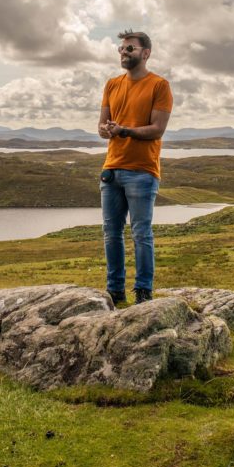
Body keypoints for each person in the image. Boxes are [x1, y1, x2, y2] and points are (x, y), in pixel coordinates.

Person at [98, 30, 173, 306]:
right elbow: (101, 128)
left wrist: (125, 130)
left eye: (129, 48)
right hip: (112, 170)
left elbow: (157, 129)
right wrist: (108, 130)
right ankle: (115, 291)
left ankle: (143, 291)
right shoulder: (112, 84)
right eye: (121, 49)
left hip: (142, 171)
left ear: (145, 53)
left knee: (141, 232)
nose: (123, 53)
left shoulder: (159, 85)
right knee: (111, 232)